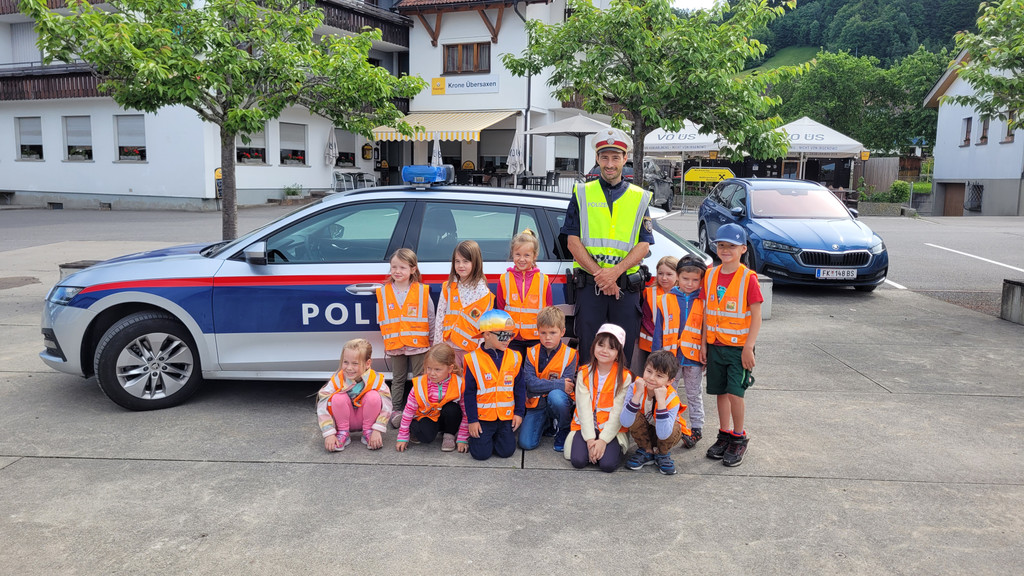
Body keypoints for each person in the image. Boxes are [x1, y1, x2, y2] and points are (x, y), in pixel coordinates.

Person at [560, 128, 654, 365]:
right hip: (591, 290)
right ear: (597, 159)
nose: (609, 164)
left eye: (615, 158)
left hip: (624, 291)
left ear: (624, 159)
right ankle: (588, 402)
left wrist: (614, 273)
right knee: (589, 356)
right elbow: (572, 242)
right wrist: (603, 277)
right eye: (604, 157)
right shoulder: (581, 193)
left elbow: (644, 245)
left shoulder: (639, 197)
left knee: (622, 356)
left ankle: (618, 403)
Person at [701, 223, 762, 467]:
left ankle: (739, 437)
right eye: (721, 245)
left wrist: (749, 347)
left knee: (736, 394)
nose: (725, 250)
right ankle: (724, 434)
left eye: (731, 246)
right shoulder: (711, 274)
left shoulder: (749, 279)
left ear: (743, 249)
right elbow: (707, 311)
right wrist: (705, 343)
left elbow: (756, 315)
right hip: (715, 345)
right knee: (720, 392)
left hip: (739, 349)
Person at [376, 248, 434, 429]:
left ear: (413, 269)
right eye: (394, 267)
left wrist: (432, 341)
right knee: (398, 378)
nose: (397, 271)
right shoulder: (384, 292)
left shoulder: (422, 291)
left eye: (402, 267)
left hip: (419, 345)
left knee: (419, 378)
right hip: (396, 344)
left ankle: (418, 408)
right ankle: (395, 411)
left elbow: (430, 317)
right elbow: (382, 318)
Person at [653, 256, 707, 448]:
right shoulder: (665, 300)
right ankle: (672, 426)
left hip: (693, 359)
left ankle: (696, 428)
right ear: (678, 277)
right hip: (670, 359)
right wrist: (656, 359)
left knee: (694, 394)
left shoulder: (704, 301)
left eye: (695, 280)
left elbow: (705, 331)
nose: (690, 283)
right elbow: (658, 330)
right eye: (685, 279)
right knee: (669, 393)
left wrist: (705, 354)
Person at [565, 323, 632, 472]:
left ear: (618, 352)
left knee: (607, 465)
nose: (604, 351)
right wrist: (590, 440)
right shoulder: (584, 373)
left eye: (611, 348)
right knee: (578, 461)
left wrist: (602, 440)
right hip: (586, 426)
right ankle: (590, 445)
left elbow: (617, 412)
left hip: (610, 428)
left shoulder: (624, 377)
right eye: (601, 345)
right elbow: (583, 408)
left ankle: (609, 448)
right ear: (594, 346)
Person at [463, 309, 526, 461]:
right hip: (483, 418)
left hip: (505, 418)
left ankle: (498, 438)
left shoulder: (515, 357)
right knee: (480, 455)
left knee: (506, 452)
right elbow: (469, 393)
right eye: (503, 335)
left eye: (511, 335)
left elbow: (520, 388)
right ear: (486, 334)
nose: (508, 340)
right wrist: (472, 421)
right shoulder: (473, 359)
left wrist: (518, 413)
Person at [620, 350, 691, 475]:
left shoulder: (671, 398)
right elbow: (625, 421)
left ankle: (662, 454)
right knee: (633, 413)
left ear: (670, 381)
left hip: (666, 434)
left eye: (659, 375)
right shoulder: (635, 387)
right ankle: (646, 450)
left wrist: (661, 402)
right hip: (645, 430)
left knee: (675, 425)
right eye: (649, 371)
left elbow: (664, 434)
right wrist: (637, 394)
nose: (651, 378)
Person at [315, 339, 392, 452]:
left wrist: (378, 429)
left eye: (355, 363)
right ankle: (343, 433)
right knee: (338, 397)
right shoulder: (337, 379)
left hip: (366, 419)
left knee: (373, 396)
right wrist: (329, 433)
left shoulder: (375, 379)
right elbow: (322, 405)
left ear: (367, 364)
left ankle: (369, 432)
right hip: (345, 421)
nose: (349, 368)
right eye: (346, 362)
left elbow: (387, 405)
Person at [518, 306, 577, 453]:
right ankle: (549, 424)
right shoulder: (531, 353)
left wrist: (553, 386)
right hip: (537, 403)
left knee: (556, 396)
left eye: (552, 332)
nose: (547, 337)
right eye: (543, 333)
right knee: (526, 444)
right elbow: (529, 384)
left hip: (558, 402)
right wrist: (558, 383)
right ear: (538, 332)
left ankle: (563, 428)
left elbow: (568, 386)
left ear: (562, 332)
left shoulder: (570, 354)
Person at [395, 343, 468, 453]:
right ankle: (411, 426)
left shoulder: (459, 383)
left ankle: (449, 435)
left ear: (450, 368)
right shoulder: (420, 384)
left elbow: (466, 412)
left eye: (437, 369)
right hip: (426, 416)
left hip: (445, 416)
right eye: (429, 368)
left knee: (453, 409)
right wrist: (402, 436)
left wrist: (462, 438)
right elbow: (409, 410)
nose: (432, 373)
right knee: (426, 438)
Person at [433, 240, 494, 364]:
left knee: (469, 382)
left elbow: (485, 324)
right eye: (457, 261)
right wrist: (437, 346)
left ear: (476, 263)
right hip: (449, 347)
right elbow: (440, 316)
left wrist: (481, 349)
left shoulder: (483, 292)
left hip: (471, 349)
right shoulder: (448, 287)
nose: (461, 265)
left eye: (466, 261)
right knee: (452, 381)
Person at [497, 229, 553, 357]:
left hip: (536, 338)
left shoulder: (543, 280)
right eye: (518, 254)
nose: (521, 259)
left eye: (527, 255)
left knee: (533, 373)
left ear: (535, 256)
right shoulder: (504, 279)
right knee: (513, 373)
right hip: (511, 339)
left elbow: (549, 312)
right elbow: (500, 310)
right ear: (512, 254)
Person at [634, 255, 678, 375]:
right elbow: (645, 318)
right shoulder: (649, 293)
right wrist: (658, 336)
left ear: (677, 275)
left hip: (672, 344)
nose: (664, 278)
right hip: (650, 344)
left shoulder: (681, 296)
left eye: (669, 274)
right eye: (660, 273)